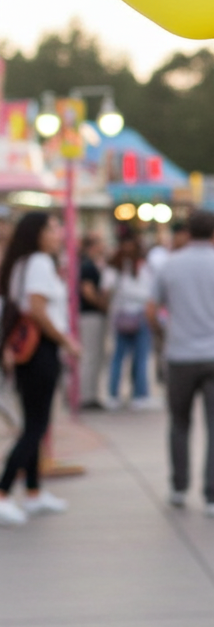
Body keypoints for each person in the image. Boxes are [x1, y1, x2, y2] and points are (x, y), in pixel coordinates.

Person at [149, 210, 214, 515]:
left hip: (180, 355)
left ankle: (179, 486)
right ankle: (213, 494)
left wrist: (163, 336)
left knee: (179, 423)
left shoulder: (169, 265)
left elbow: (151, 310)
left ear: (187, 231)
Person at [0, 212, 81, 526]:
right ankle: (4, 490)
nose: (58, 231)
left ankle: (33, 492)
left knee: (37, 422)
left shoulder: (25, 262)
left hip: (31, 352)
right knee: (35, 425)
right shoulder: (38, 263)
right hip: (39, 351)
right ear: (36, 232)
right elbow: (36, 308)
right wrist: (66, 342)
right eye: (52, 226)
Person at [106, 233, 155, 409]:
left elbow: (107, 290)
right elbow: (149, 293)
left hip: (122, 315)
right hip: (137, 315)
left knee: (120, 357)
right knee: (137, 357)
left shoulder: (117, 268)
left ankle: (115, 395)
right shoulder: (135, 268)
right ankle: (138, 395)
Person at [78, 233, 108, 410]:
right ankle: (86, 395)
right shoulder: (88, 266)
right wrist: (102, 305)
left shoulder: (92, 264)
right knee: (90, 355)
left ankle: (90, 393)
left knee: (94, 355)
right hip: (90, 315)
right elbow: (87, 291)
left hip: (92, 315)